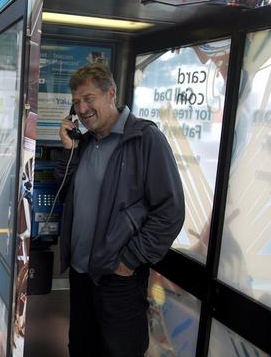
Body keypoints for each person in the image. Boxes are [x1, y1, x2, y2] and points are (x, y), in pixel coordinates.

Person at [56, 63, 185, 356]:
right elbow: (67, 192)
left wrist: (129, 261)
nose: (82, 108)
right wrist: (69, 150)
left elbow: (170, 211)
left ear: (110, 93)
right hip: (81, 273)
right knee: (81, 348)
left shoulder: (144, 140)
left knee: (119, 350)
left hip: (118, 278)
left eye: (89, 98)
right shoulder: (86, 143)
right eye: (77, 102)